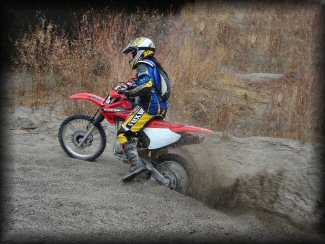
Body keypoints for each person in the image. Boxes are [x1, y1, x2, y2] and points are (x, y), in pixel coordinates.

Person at [116, 37, 171, 182]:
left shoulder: (143, 64)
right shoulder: (153, 65)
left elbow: (146, 85)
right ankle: (147, 164)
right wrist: (132, 86)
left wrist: (127, 92)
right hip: (160, 107)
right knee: (141, 136)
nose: (132, 57)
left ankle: (136, 165)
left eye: (133, 53)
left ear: (141, 52)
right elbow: (148, 83)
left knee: (123, 132)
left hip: (148, 107)